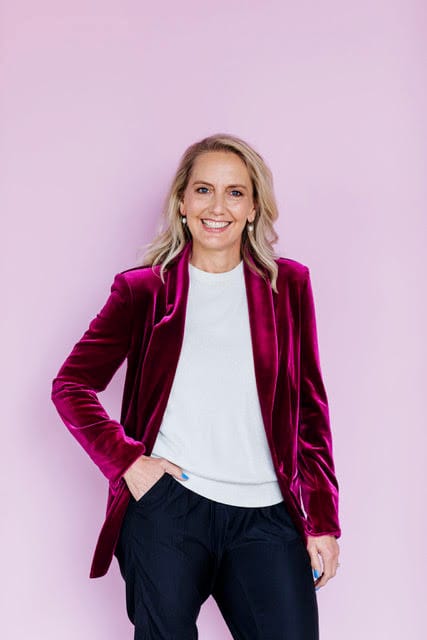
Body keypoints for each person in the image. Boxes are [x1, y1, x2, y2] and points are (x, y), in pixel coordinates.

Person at [51, 133, 341, 639]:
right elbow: (71, 385)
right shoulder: (144, 290)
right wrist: (129, 463)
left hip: (266, 515)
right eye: (204, 190)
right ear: (182, 203)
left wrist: (322, 521)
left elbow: (311, 413)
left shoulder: (288, 286)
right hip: (169, 510)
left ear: (253, 208)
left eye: (235, 192)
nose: (217, 207)